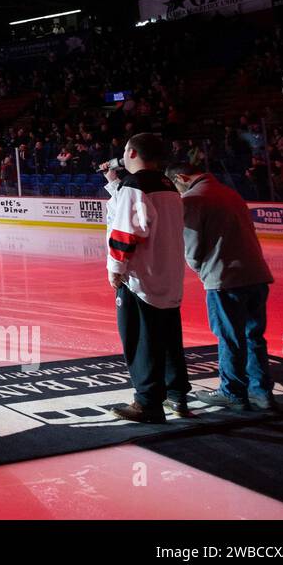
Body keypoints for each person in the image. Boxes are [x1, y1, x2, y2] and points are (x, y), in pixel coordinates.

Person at [167, 162, 277, 411]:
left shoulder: (193, 199)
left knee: (229, 337)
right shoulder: (230, 193)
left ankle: (233, 392)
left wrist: (200, 270)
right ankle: (262, 393)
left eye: (176, 186)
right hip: (257, 274)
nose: (177, 192)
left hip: (225, 278)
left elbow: (192, 247)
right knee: (253, 336)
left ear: (181, 177)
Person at [102, 133, 189, 423]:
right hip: (169, 273)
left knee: (140, 338)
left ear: (132, 153)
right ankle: (177, 394)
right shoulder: (168, 185)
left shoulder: (135, 185)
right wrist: (115, 185)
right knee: (168, 336)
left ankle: (148, 401)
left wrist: (116, 269)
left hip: (141, 278)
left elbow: (125, 232)